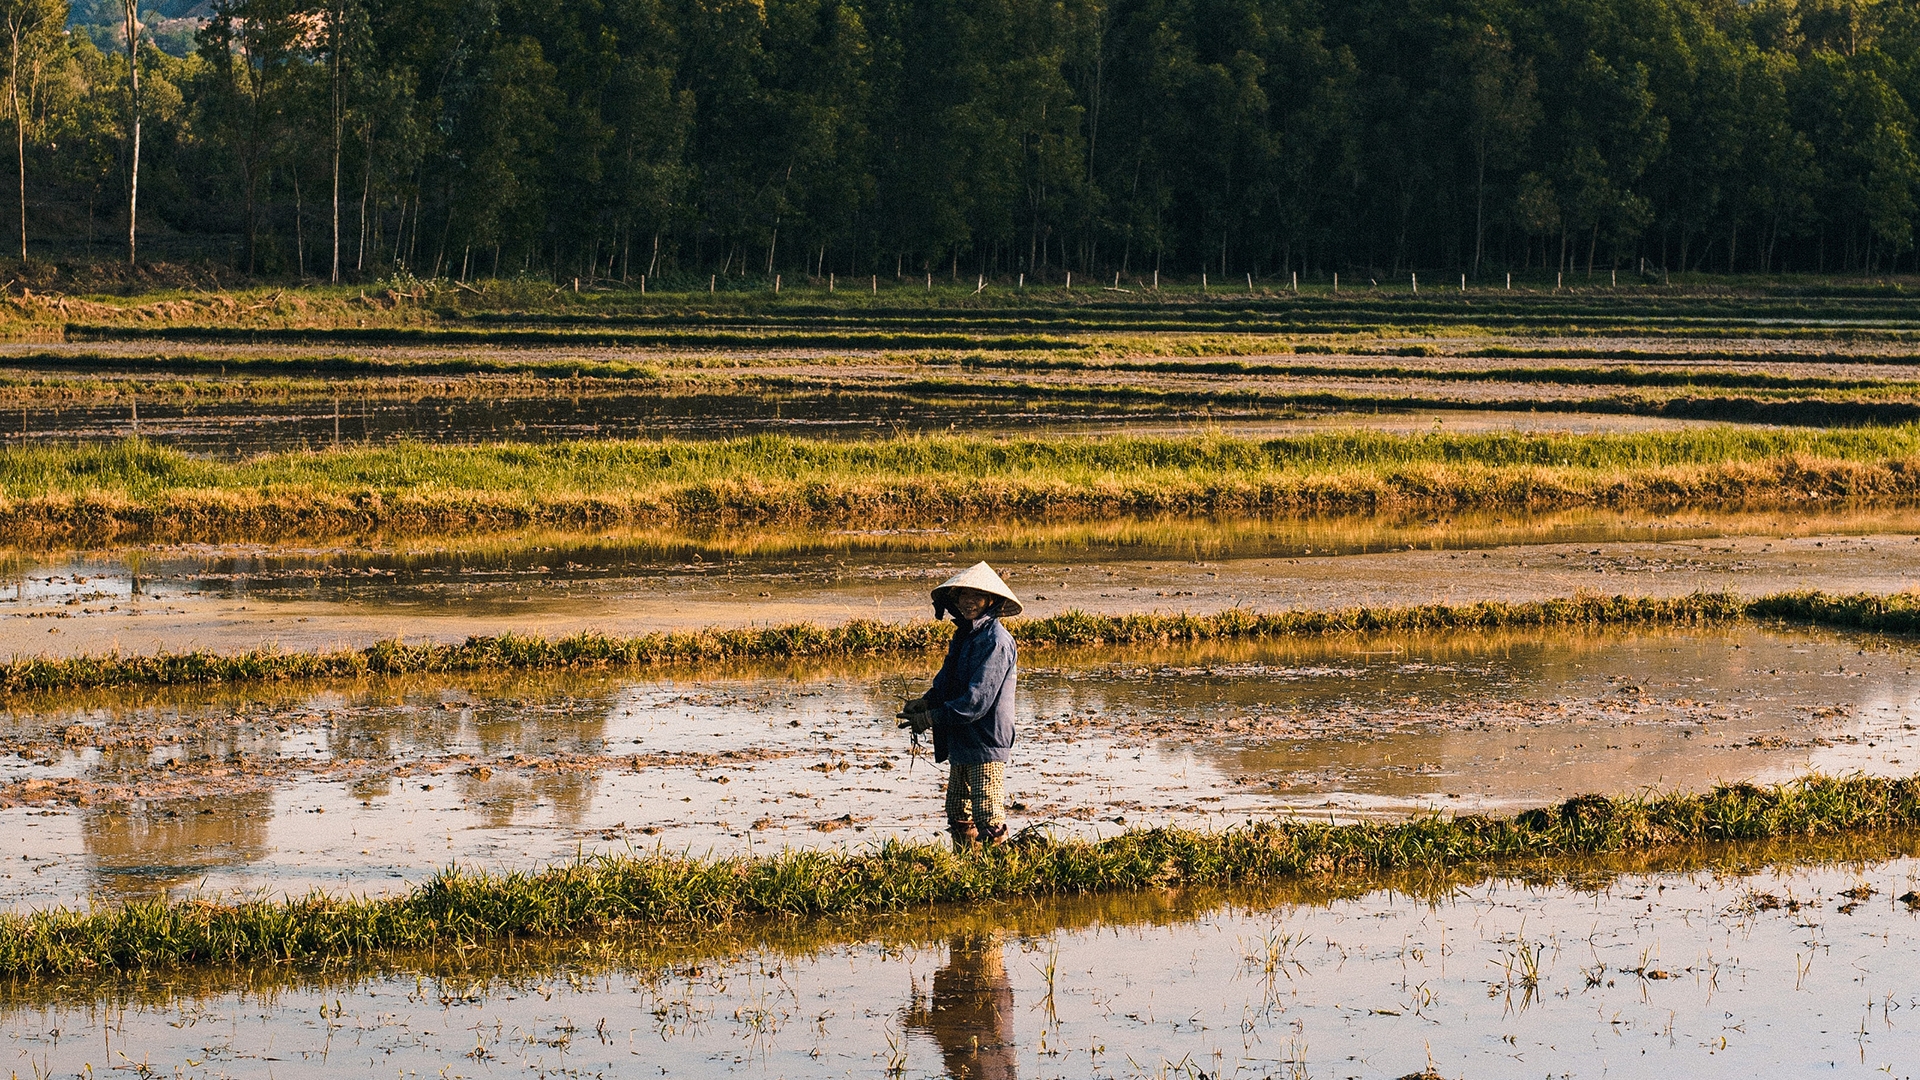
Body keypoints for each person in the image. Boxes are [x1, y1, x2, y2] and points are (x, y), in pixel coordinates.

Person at [901, 561, 1020, 850]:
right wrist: (925, 703)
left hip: (985, 739)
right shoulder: (964, 636)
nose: (968, 602)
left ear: (990, 600)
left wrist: (930, 718)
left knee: (987, 814)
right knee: (957, 810)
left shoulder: (996, 641)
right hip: (961, 738)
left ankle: (1001, 871)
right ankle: (969, 864)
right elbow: (946, 683)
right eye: (962, 596)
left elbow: (975, 702)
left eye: (975, 596)